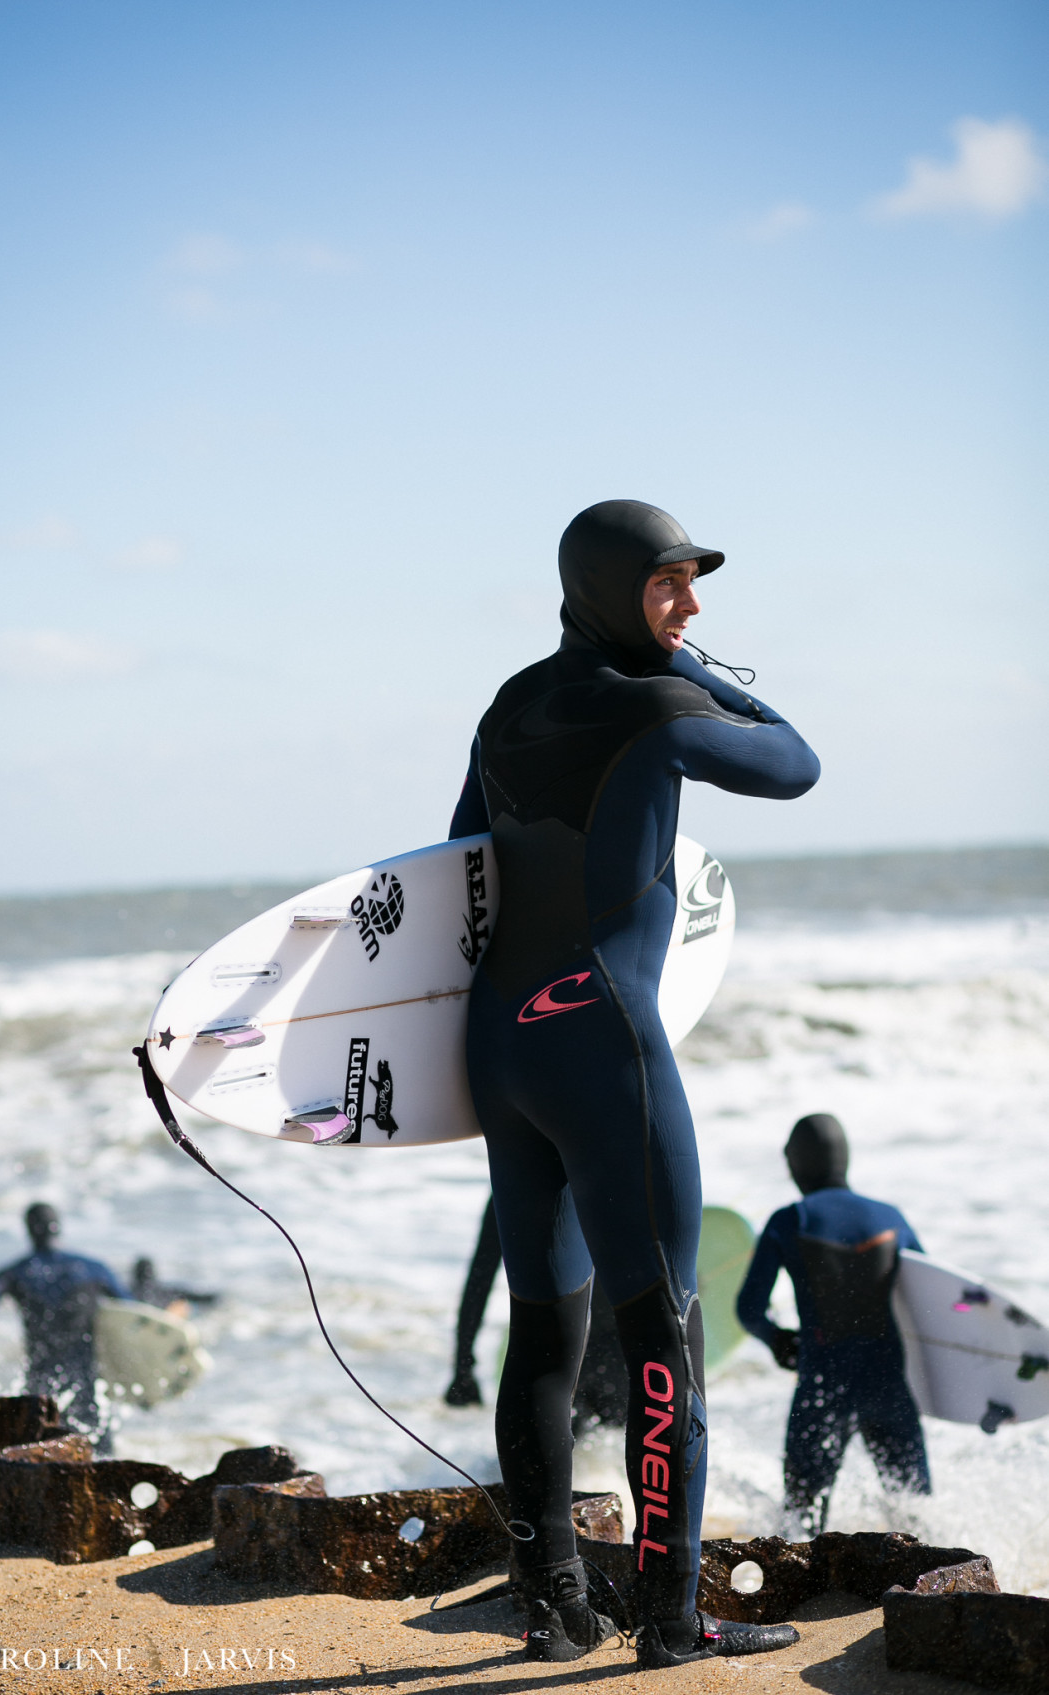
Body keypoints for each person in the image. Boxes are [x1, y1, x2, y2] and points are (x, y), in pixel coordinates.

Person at [448, 499, 819, 1668]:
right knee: (662, 1330)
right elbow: (796, 765)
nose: (690, 606)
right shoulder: (660, 708)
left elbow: (457, 864)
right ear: (613, 589)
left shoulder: (507, 706)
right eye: (668, 587)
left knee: (542, 1335)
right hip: (604, 1046)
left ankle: (553, 1606)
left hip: (500, 1045)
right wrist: (707, 676)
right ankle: (668, 1619)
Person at [736, 1113, 931, 1535]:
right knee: (915, 1516)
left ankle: (812, 1595)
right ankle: (924, 1592)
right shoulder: (891, 1218)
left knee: (802, 1518)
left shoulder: (790, 1220)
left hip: (824, 1383)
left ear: (795, 1163)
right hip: (890, 1385)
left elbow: (749, 1308)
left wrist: (778, 1341)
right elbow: (932, 1301)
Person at [444, 1196, 629, 1429]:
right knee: (611, 1454)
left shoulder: (518, 1181)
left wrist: (463, 1364)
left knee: (541, 1455)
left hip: (554, 1354)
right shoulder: (613, 1177)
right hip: (618, 1354)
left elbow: (479, 1280)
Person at [0, 1202, 132, 1453]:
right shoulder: (93, 1269)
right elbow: (135, 1314)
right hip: (87, 1388)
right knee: (101, 1457)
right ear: (58, 1228)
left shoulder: (16, 1273)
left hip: (40, 1389)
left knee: (36, 1454)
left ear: (29, 1231)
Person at [129, 1256, 218, 1318]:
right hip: (161, 1316)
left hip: (136, 1312)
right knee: (183, 1304)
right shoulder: (166, 1290)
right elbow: (197, 1297)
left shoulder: (129, 1290)